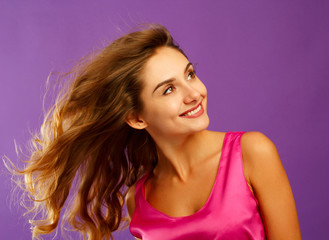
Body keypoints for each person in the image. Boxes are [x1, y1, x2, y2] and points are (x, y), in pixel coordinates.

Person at [7, 24, 301, 240]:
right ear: (136, 118)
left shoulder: (252, 152)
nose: (193, 94)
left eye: (190, 74)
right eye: (169, 89)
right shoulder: (139, 199)